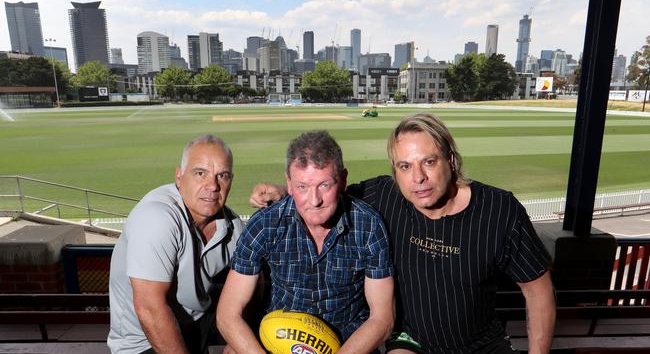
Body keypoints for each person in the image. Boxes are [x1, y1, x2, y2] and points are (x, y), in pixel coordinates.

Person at [250, 114, 556, 354]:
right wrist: (285, 193)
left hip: (483, 344)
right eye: (405, 166)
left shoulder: (499, 210)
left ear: (450, 159)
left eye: (429, 161)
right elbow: (325, 195)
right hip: (410, 342)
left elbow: (538, 291)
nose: (418, 178)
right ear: (395, 171)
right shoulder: (385, 195)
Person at [217, 130, 395, 354]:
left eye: (324, 185)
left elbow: (383, 319)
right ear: (289, 185)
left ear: (343, 181)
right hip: (279, 336)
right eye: (302, 187)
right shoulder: (265, 224)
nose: (315, 200)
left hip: (347, 342)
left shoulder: (368, 225)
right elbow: (227, 314)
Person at [108, 134, 243, 354]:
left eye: (223, 176)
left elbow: (254, 288)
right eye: (200, 173)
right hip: (144, 341)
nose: (212, 186)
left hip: (198, 322)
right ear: (179, 177)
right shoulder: (157, 217)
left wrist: (238, 342)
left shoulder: (233, 226)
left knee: (270, 324)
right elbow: (150, 309)